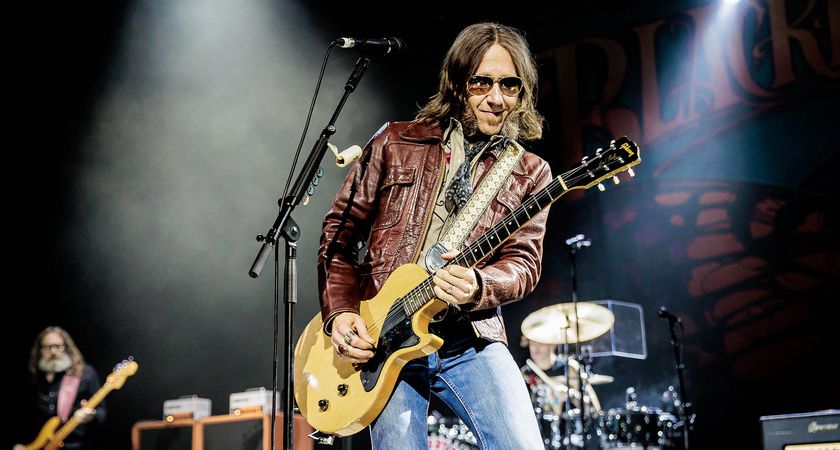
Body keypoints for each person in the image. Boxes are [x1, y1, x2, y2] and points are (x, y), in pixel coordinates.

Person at [318, 22, 552, 449]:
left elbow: (523, 264)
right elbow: (339, 233)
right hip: (386, 338)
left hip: (470, 339)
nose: (496, 98)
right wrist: (341, 312)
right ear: (458, 82)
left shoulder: (529, 172)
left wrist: (480, 285)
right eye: (482, 83)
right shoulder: (394, 141)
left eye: (509, 85)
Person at [13, 326, 106, 450]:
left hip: (74, 445)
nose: (53, 351)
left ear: (67, 348)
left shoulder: (84, 374)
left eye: (58, 346)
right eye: (47, 347)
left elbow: (101, 411)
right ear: (39, 350)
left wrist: (91, 416)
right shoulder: (33, 376)